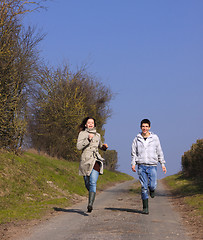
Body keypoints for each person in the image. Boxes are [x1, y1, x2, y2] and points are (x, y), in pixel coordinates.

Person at [131, 119, 167, 214]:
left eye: (146, 126)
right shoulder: (137, 139)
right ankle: (145, 207)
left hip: (152, 165)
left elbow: (159, 151)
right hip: (141, 165)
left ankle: (152, 190)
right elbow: (134, 153)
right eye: (143, 126)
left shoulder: (155, 138)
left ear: (149, 127)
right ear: (140, 127)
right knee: (143, 187)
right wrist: (133, 163)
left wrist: (162, 164)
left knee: (152, 185)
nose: (145, 128)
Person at [77, 117, 108, 213]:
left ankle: (90, 204)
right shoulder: (82, 134)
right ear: (85, 124)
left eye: (92, 123)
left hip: (96, 160)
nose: (91, 124)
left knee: (93, 182)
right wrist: (88, 139)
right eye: (89, 122)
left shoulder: (98, 135)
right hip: (86, 161)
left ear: (94, 124)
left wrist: (104, 147)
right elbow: (78, 147)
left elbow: (100, 146)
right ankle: (91, 194)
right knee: (88, 182)